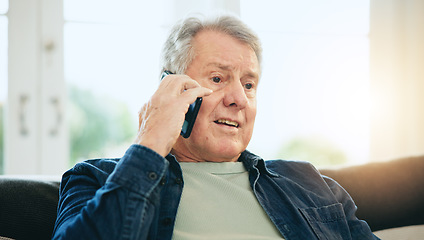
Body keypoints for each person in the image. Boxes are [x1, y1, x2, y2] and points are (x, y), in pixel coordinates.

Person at [52, 15, 380, 240]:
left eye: (249, 84)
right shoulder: (97, 180)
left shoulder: (309, 182)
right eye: (218, 78)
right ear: (173, 88)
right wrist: (150, 141)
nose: (239, 98)